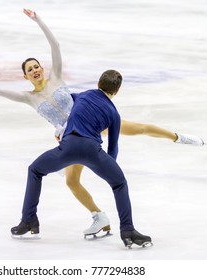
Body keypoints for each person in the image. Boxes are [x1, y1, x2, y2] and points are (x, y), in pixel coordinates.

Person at [0, 8, 204, 238]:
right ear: (25, 75)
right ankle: (99, 217)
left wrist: (39, 21)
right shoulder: (29, 98)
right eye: (30, 69)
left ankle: (179, 137)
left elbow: (56, 45)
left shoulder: (56, 78)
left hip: (92, 121)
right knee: (71, 181)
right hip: (71, 137)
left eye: (37, 66)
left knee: (139, 128)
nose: (36, 70)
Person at [11, 70, 151, 248]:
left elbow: (64, 102)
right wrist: (108, 167)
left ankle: (29, 220)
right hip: (93, 151)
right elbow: (113, 147)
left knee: (35, 170)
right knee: (119, 183)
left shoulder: (83, 96)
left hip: (68, 148)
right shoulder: (114, 114)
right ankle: (128, 230)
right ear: (116, 91)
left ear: (98, 84)